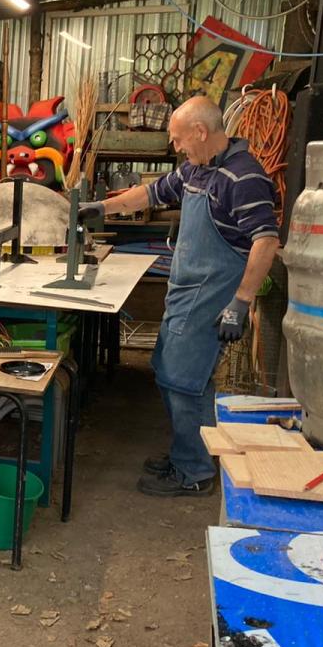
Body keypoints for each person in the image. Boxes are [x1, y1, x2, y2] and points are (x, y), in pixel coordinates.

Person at [79, 95, 279, 497]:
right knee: (178, 377)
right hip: (184, 292)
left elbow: (266, 240)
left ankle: (193, 472)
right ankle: (190, 453)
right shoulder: (196, 170)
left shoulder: (244, 177)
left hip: (210, 298)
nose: (176, 147)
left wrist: (240, 302)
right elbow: (151, 194)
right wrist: (102, 207)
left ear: (201, 132)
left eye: (179, 139)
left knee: (183, 383)